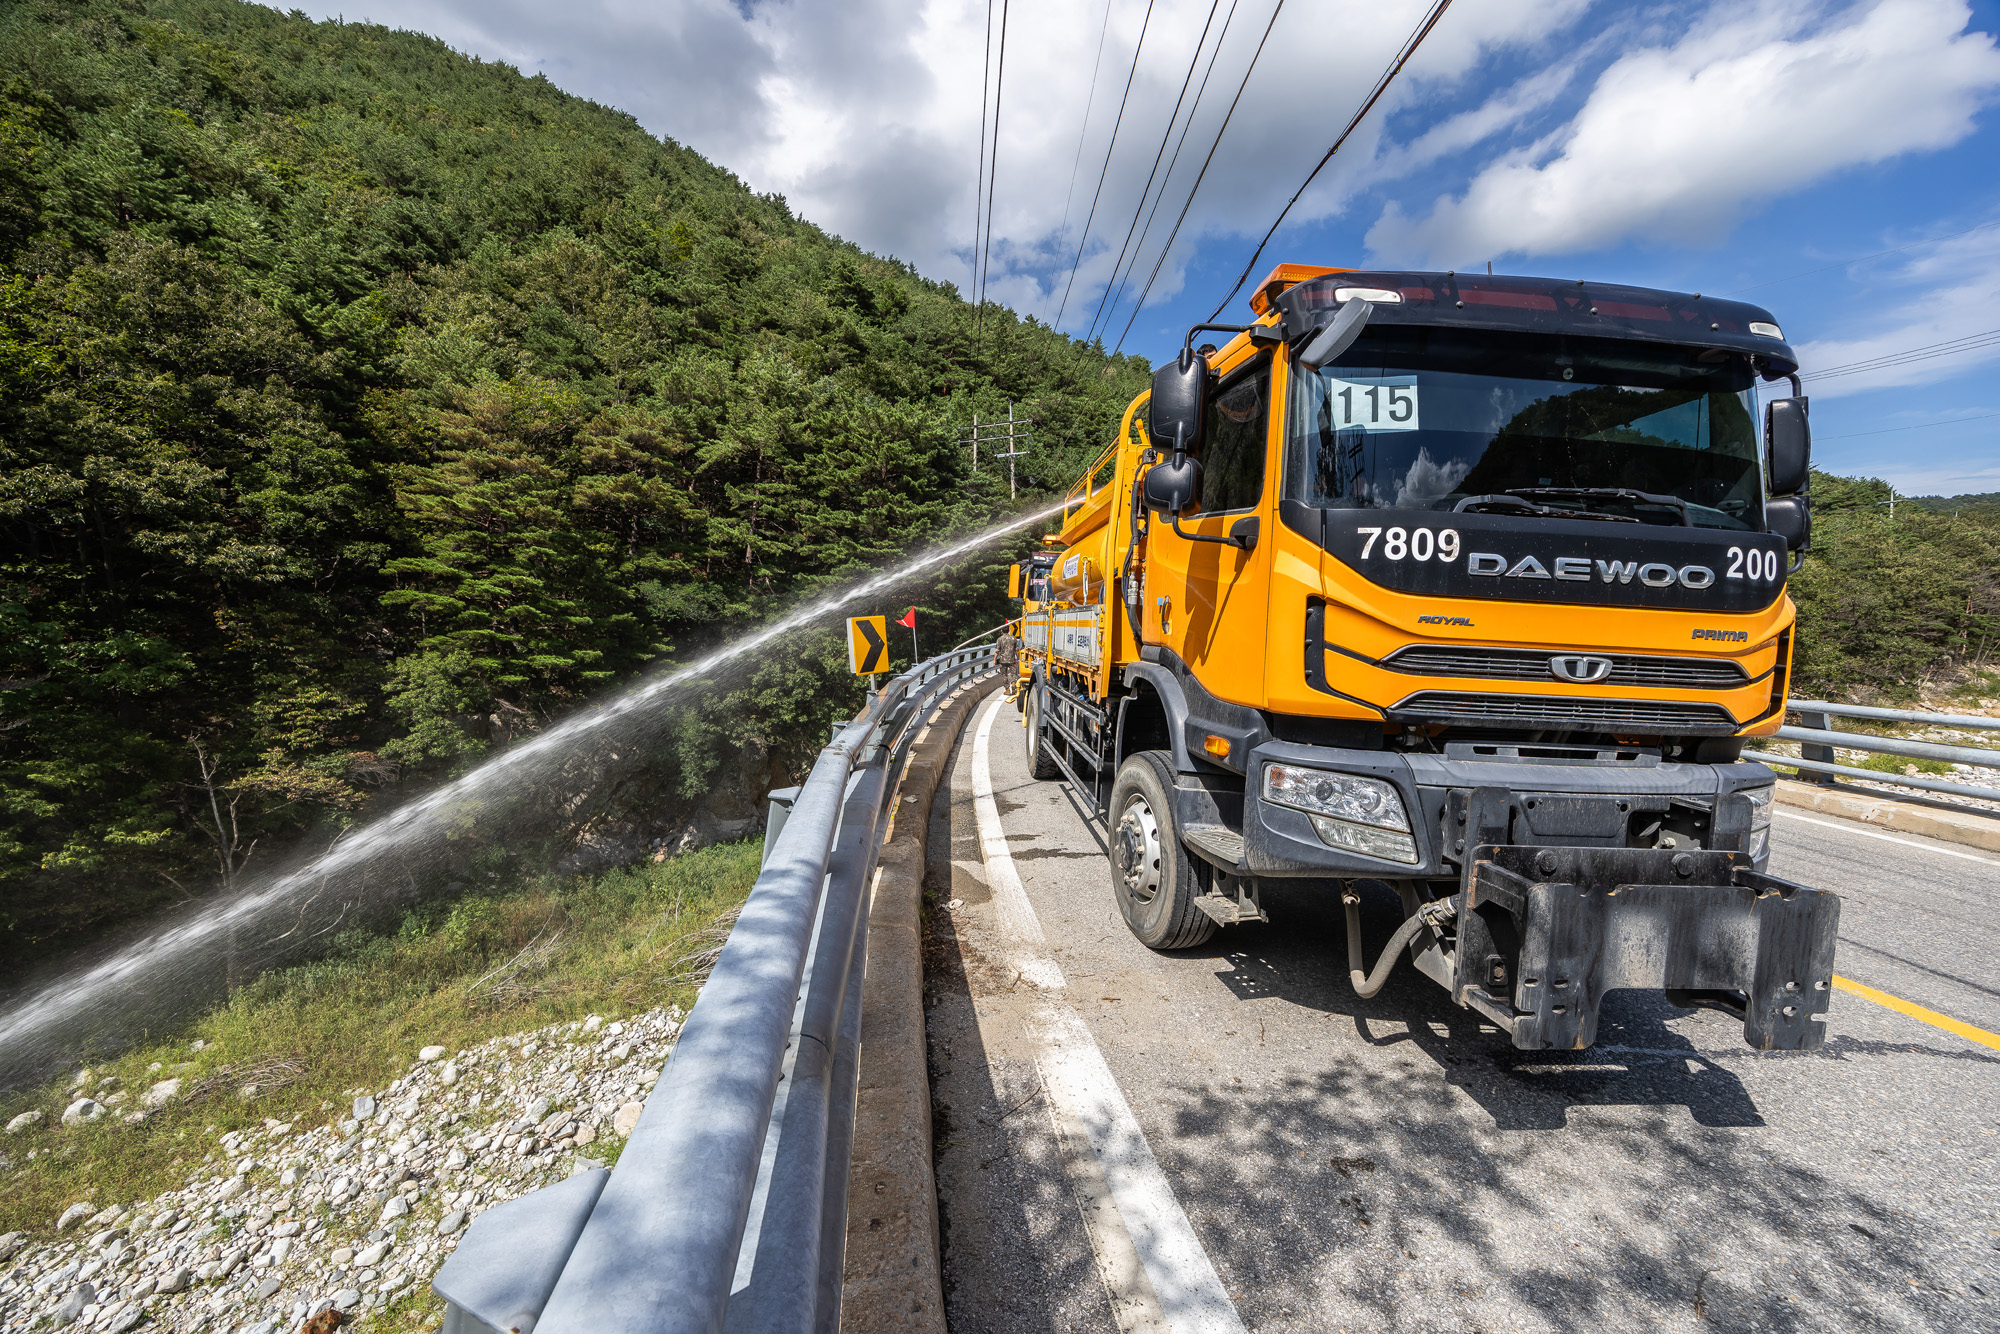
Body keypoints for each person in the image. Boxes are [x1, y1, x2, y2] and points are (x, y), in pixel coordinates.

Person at [995, 625, 1020, 698]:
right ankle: (1013, 684)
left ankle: (1007, 689)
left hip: (1003, 660)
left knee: (1004, 674)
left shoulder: (1000, 639)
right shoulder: (1013, 639)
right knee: (1014, 674)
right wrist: (1018, 659)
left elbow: (997, 651)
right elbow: (1017, 650)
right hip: (1012, 660)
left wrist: (994, 660)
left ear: (1001, 631)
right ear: (1009, 631)